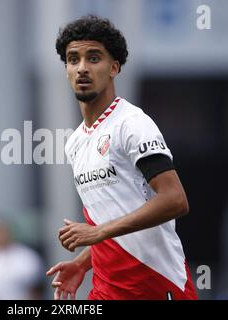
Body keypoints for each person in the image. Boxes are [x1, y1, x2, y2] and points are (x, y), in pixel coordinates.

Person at [46, 15, 198, 300]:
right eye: (73, 59)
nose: (82, 68)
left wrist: (97, 232)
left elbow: (175, 199)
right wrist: (82, 263)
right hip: (106, 291)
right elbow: (115, 218)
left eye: (93, 58)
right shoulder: (76, 142)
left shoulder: (132, 124)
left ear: (114, 67)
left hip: (155, 285)